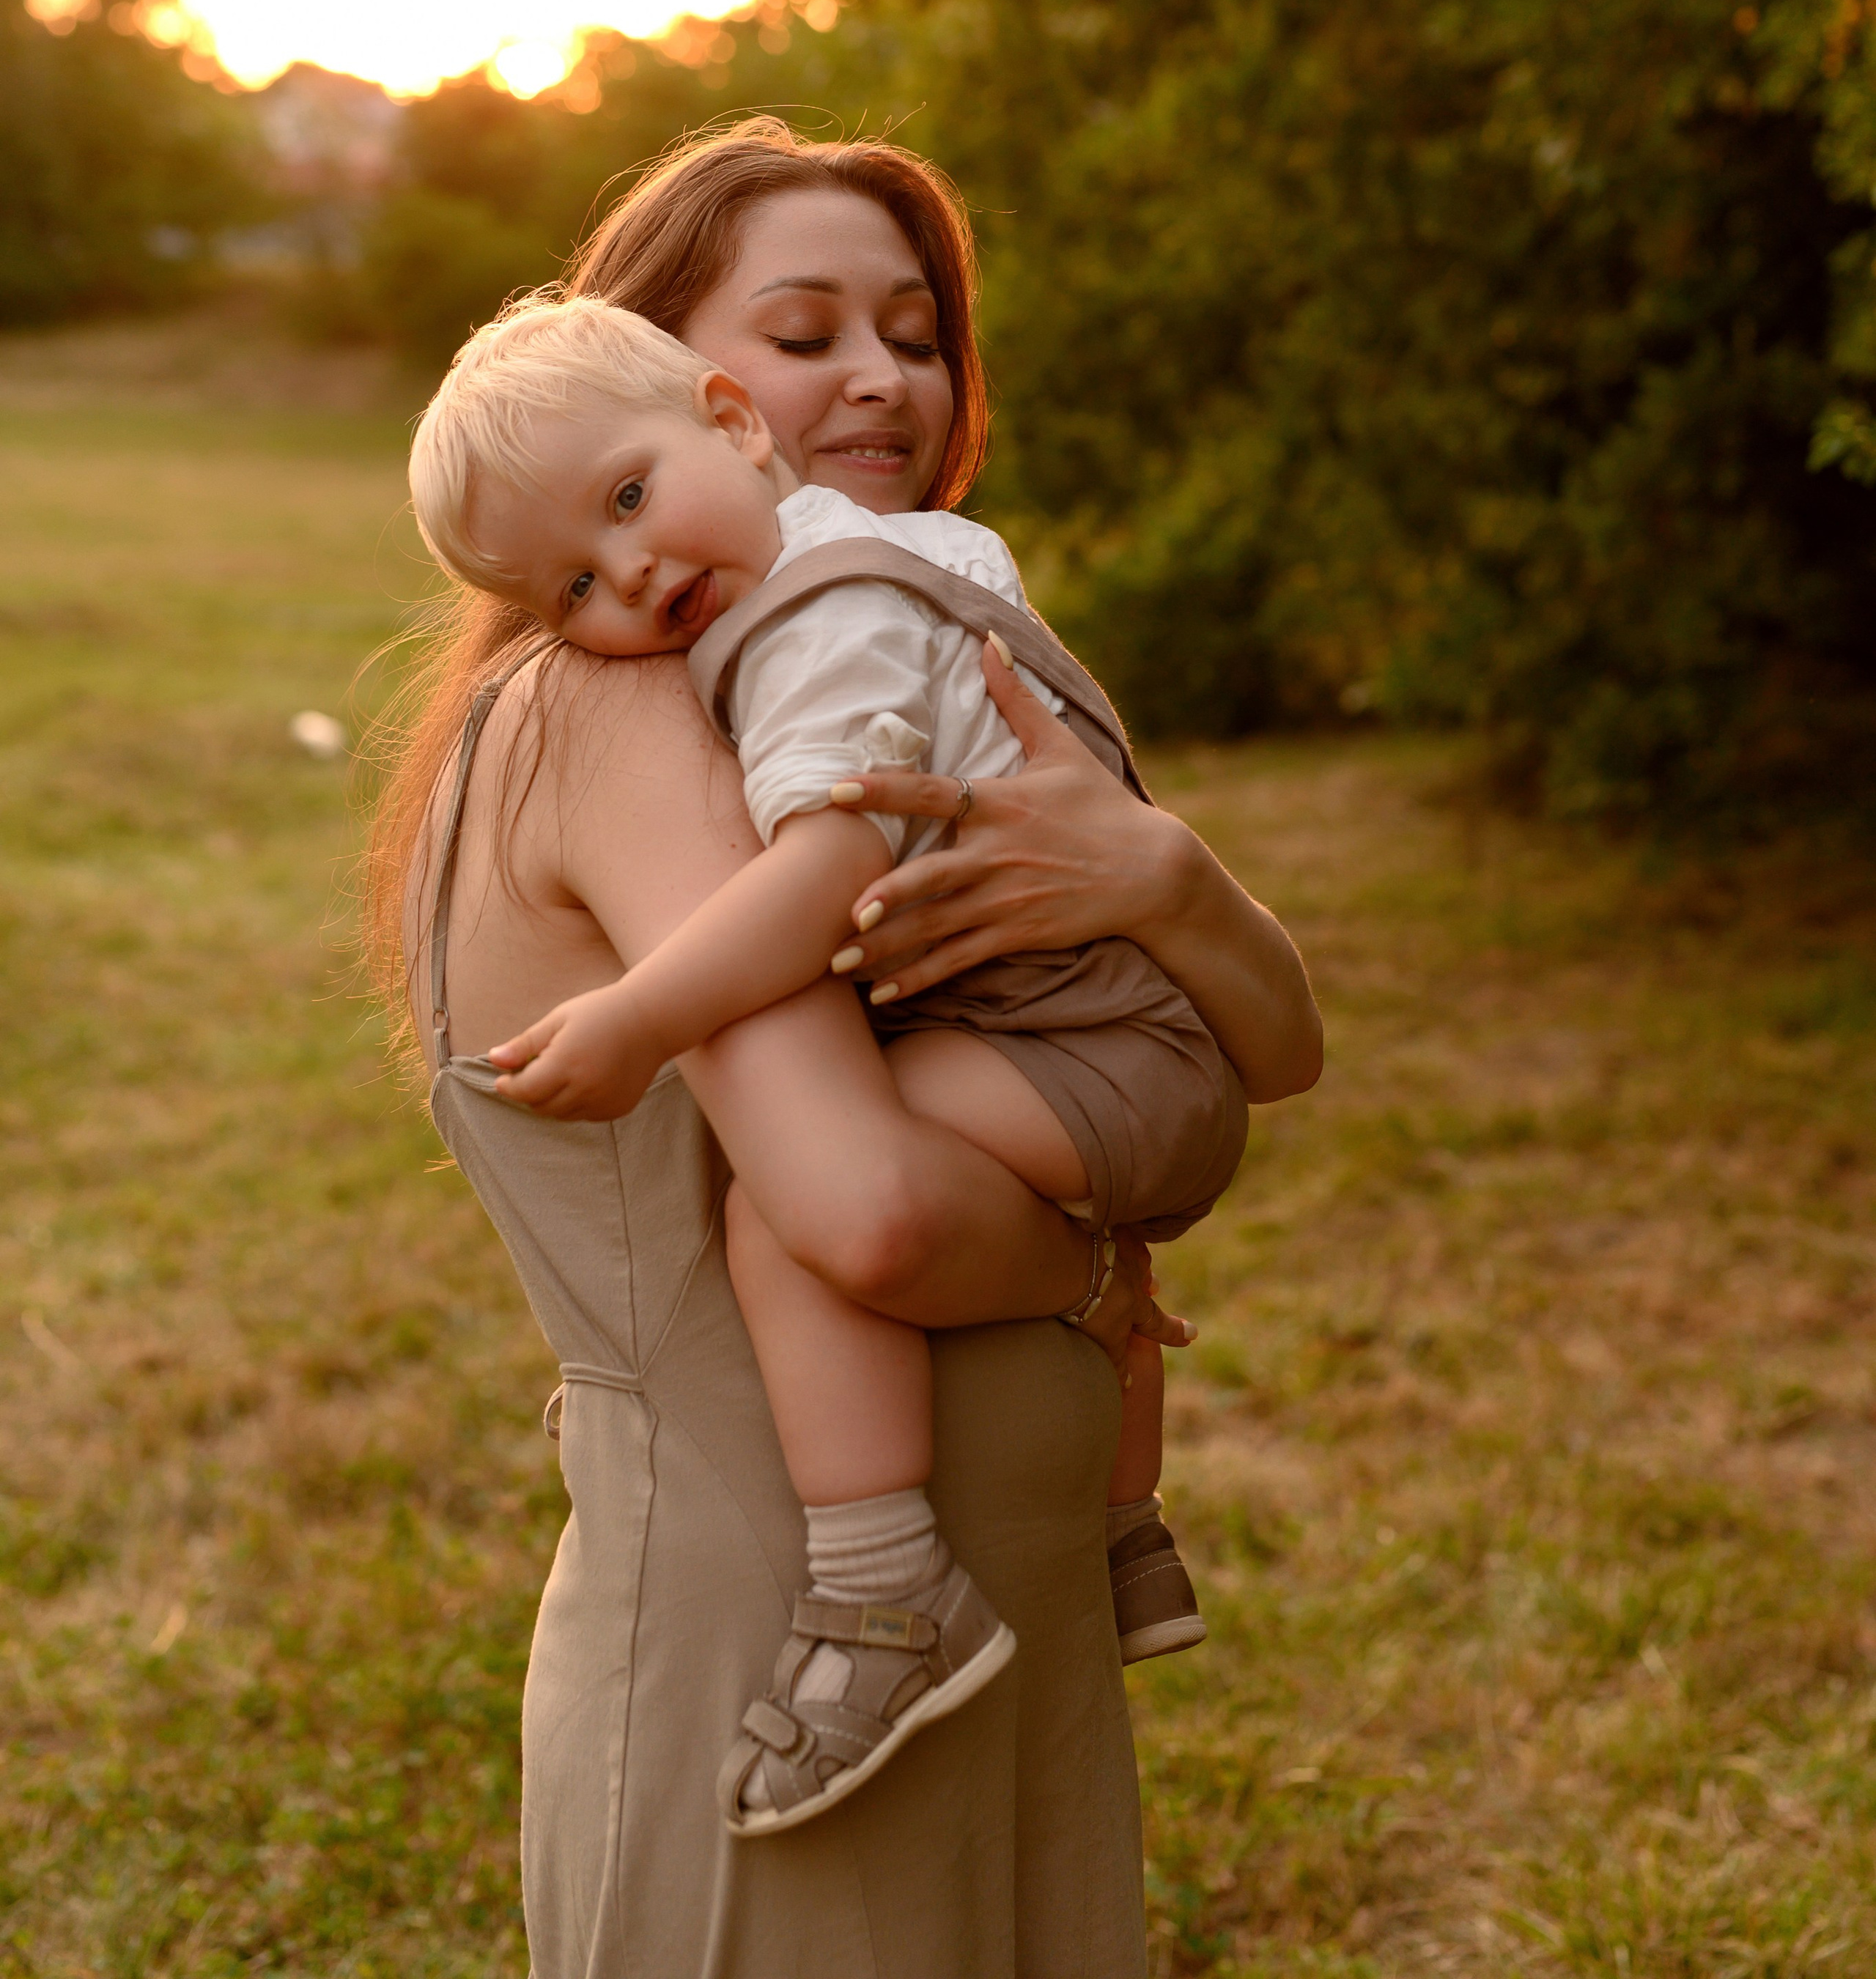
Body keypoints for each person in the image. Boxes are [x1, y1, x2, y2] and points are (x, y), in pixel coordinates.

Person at [369, 118, 1321, 1977]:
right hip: (787, 1638)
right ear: (679, 373)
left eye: (916, 325)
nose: (881, 376)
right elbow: (867, 1209)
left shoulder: (879, 660)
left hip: (979, 1625)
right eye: (806, 331)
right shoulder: (622, 712)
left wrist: (1167, 874)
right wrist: (1097, 1275)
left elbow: (1271, 1051)